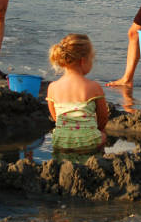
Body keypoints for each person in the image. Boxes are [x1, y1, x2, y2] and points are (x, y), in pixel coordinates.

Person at [46, 34, 109, 163]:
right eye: (92, 59)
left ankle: (61, 163)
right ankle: (96, 162)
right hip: (88, 142)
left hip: (61, 141)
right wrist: (98, 130)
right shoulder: (94, 87)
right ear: (83, 61)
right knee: (102, 136)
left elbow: (56, 118)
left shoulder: (52, 87)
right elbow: (103, 117)